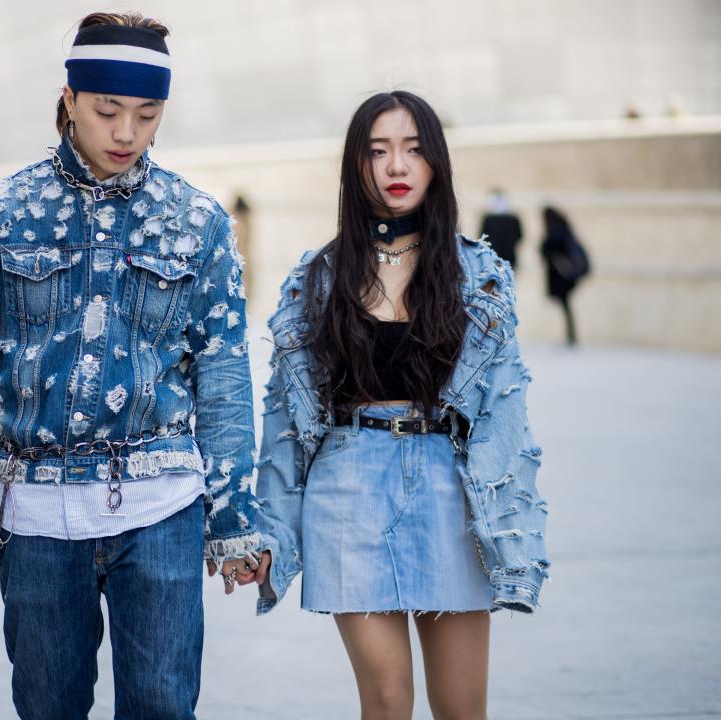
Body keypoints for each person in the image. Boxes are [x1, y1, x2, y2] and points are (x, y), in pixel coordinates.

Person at [0, 12, 261, 719]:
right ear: (69, 99)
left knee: (162, 706)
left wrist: (235, 513)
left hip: (162, 505)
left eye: (146, 113)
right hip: (37, 510)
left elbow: (222, 372)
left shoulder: (199, 222)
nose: (126, 133)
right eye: (107, 110)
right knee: (48, 705)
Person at [250, 91, 550, 720]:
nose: (397, 166)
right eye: (379, 150)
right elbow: (283, 420)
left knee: (461, 710)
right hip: (347, 490)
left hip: (448, 490)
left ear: (435, 163)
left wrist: (514, 532)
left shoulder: (479, 276)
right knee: (386, 702)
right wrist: (272, 528)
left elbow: (505, 416)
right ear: (356, 166)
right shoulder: (318, 279)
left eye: (414, 150)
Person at [540, 205, 589, 346]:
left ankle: (571, 336)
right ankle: (571, 335)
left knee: (566, 305)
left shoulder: (556, 231)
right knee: (566, 305)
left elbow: (549, 249)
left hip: (562, 275)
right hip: (565, 275)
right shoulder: (563, 227)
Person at [479, 187, 523, 267]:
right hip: (508, 256)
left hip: (493, 256)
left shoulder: (488, 219)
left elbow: (482, 237)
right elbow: (519, 236)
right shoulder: (513, 218)